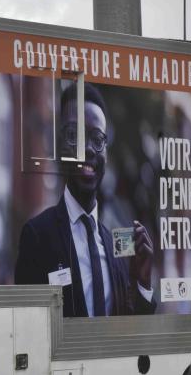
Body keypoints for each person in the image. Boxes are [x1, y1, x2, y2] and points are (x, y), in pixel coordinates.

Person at [14, 82, 156, 317]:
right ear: (59, 146)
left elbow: (133, 333)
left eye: (97, 139)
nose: (88, 149)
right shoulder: (37, 236)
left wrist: (143, 283)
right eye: (74, 135)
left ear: (106, 153)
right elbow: (26, 325)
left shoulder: (116, 246)